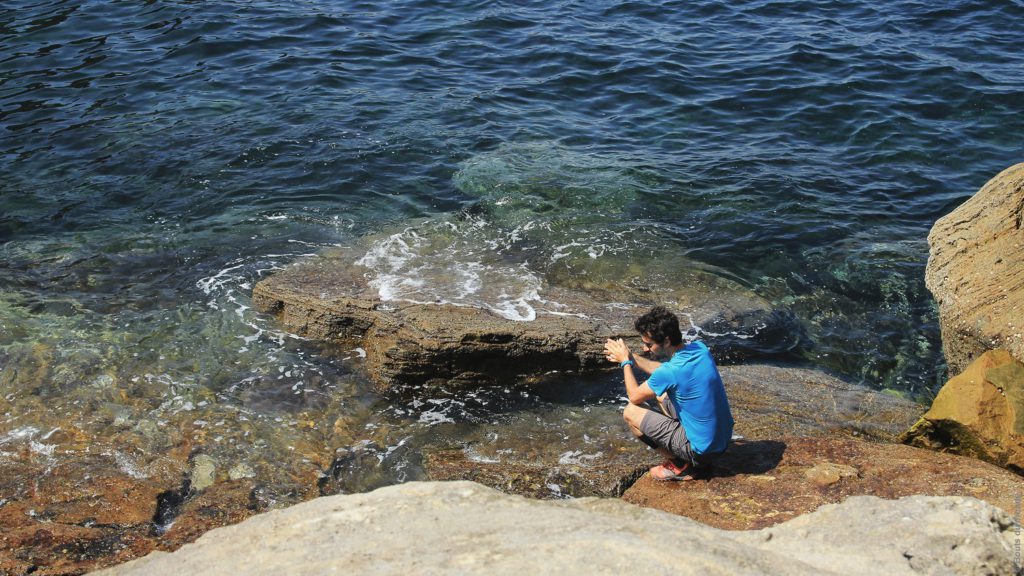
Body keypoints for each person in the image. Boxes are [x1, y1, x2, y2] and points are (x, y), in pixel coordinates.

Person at [604, 306, 734, 481]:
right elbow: (663, 371)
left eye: (649, 345)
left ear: (666, 341)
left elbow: (634, 396)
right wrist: (631, 356)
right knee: (661, 394)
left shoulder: (671, 373)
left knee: (630, 412)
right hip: (722, 441)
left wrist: (625, 363)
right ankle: (681, 442)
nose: (645, 348)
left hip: (702, 453)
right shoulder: (700, 349)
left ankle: (681, 466)